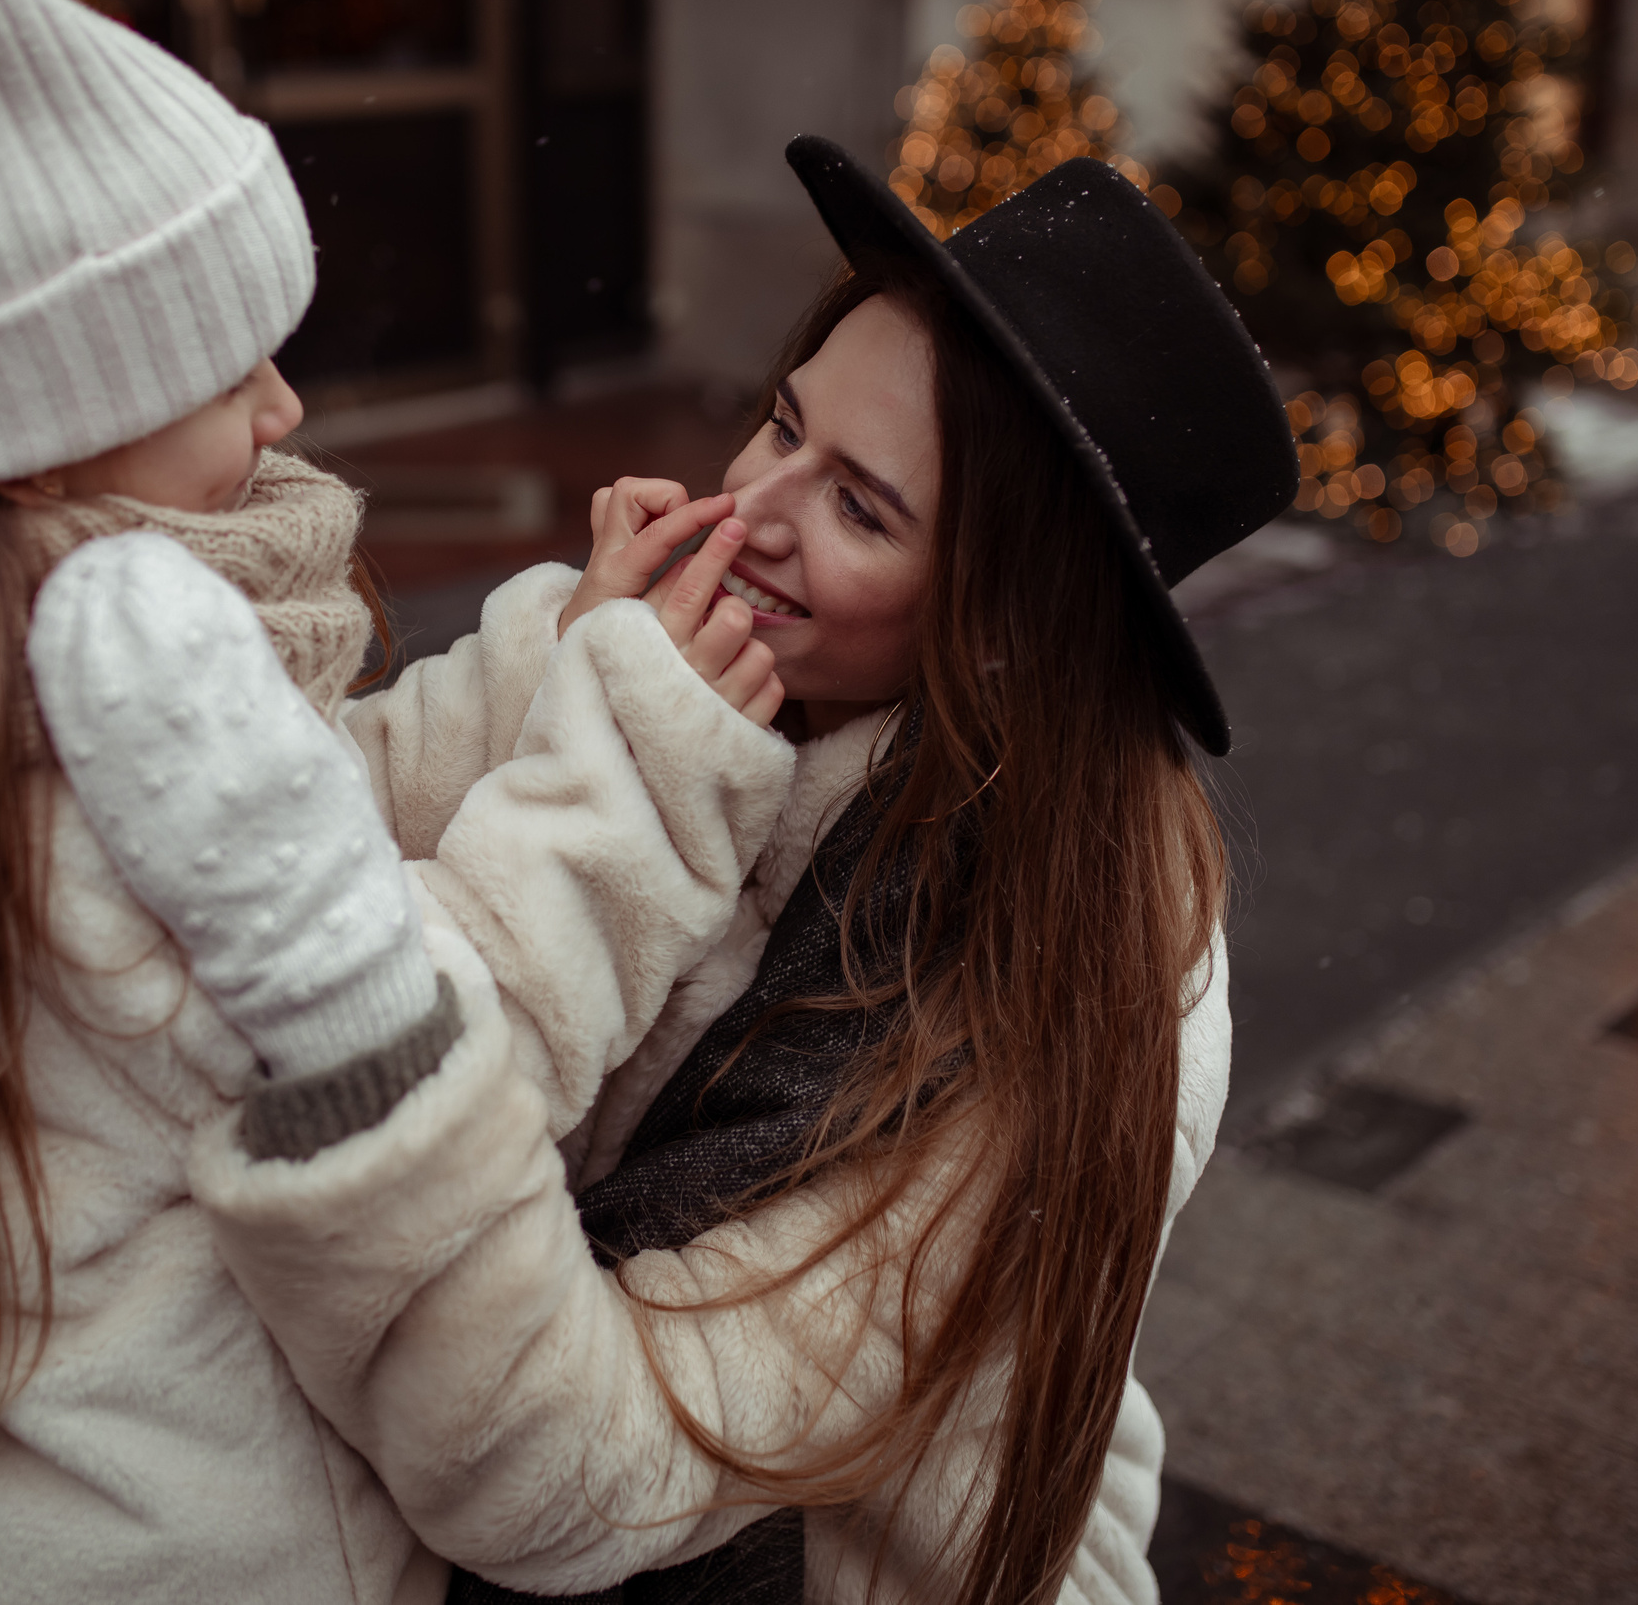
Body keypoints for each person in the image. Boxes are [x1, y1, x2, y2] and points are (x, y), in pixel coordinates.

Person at [0, 0, 796, 1600]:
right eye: (225, 368)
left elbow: (312, 814)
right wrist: (645, 750)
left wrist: (553, 668)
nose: (281, 410)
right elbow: (437, 1069)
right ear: (45, 434)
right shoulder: (108, 738)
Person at [187, 141, 1301, 1605]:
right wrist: (566, 675)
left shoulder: (1041, 989)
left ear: (1001, 628)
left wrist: (620, 765)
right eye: (781, 427)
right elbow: (280, 875)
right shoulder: (682, 683)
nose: (753, 511)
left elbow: (569, 1474)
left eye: (862, 508)